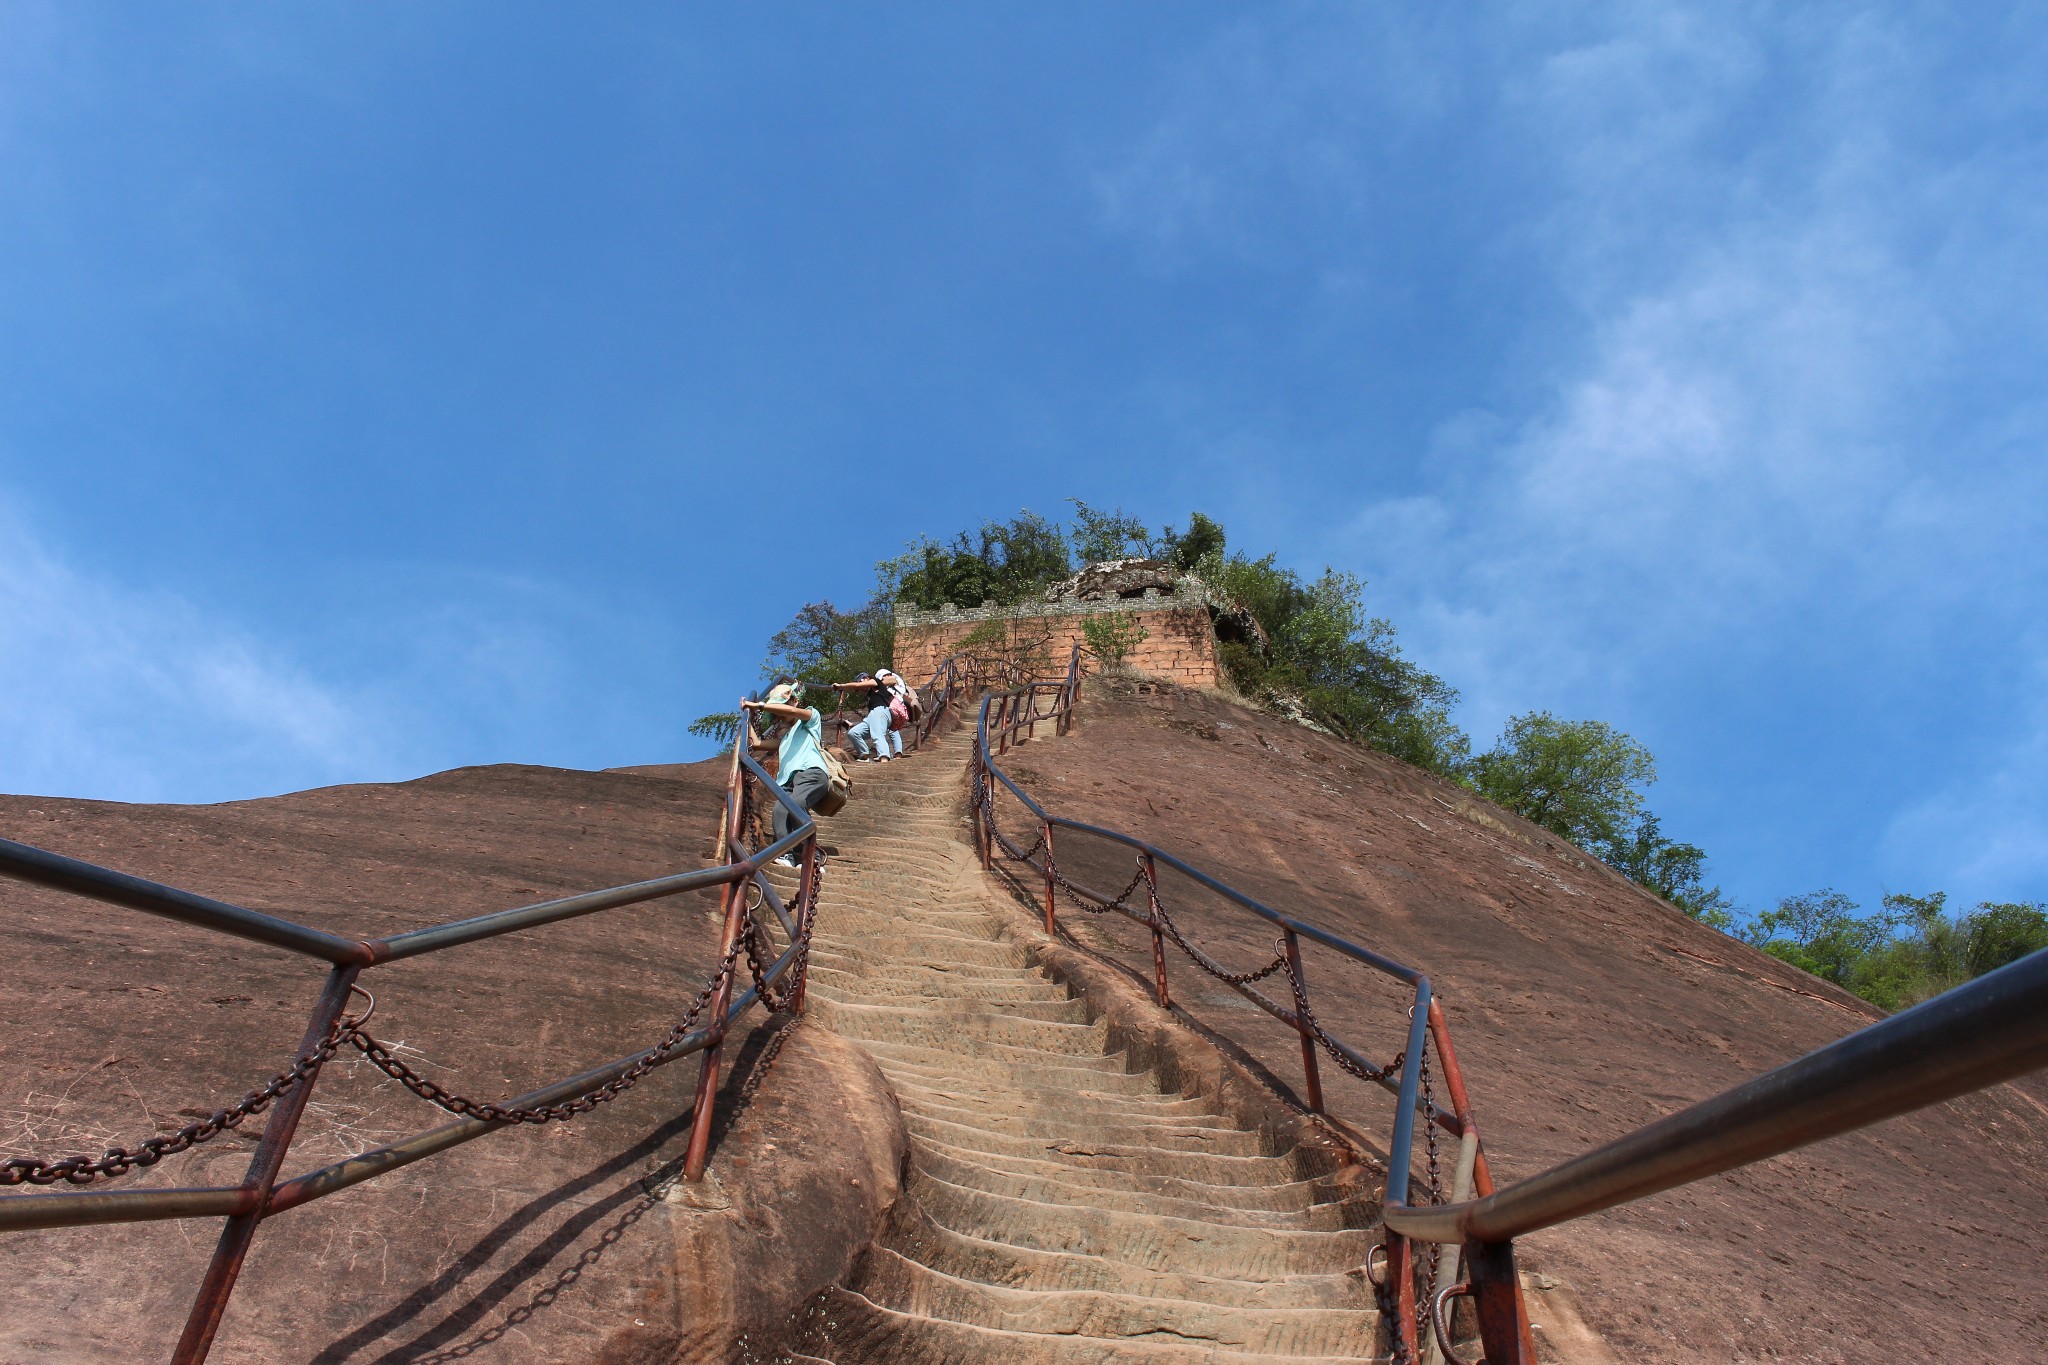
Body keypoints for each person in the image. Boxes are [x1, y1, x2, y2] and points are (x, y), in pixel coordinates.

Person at [744, 678, 832, 867]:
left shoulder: (811, 719)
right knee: (780, 811)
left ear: (795, 701)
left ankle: (811, 856)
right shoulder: (785, 738)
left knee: (795, 805)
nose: (780, 714)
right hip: (788, 782)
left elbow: (792, 712)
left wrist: (760, 706)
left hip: (811, 773)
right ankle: (787, 854)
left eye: (781, 707)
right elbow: (757, 744)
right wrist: (746, 718)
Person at [836, 668, 907, 763]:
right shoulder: (870, 692)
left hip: (880, 711)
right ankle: (866, 755)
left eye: (861, 682)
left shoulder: (876, 682)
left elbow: (857, 685)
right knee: (854, 733)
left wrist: (841, 686)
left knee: (878, 735)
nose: (861, 688)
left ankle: (884, 757)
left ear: (865, 679)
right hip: (872, 716)